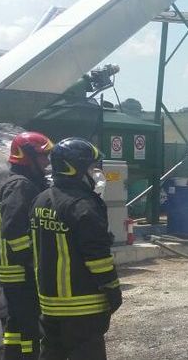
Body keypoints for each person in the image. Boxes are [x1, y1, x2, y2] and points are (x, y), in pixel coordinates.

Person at [30, 138, 121, 360]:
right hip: (83, 306)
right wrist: (113, 290)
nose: (97, 174)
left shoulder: (40, 200)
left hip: (49, 304)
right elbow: (97, 257)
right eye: (92, 167)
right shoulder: (83, 205)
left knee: (52, 354)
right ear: (76, 168)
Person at [0, 132, 54, 359]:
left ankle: (12, 355)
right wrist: (31, 262)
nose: (47, 162)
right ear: (28, 155)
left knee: (16, 324)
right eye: (43, 156)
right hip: (20, 271)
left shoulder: (23, 182)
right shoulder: (20, 185)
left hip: (14, 271)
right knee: (30, 326)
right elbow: (13, 230)